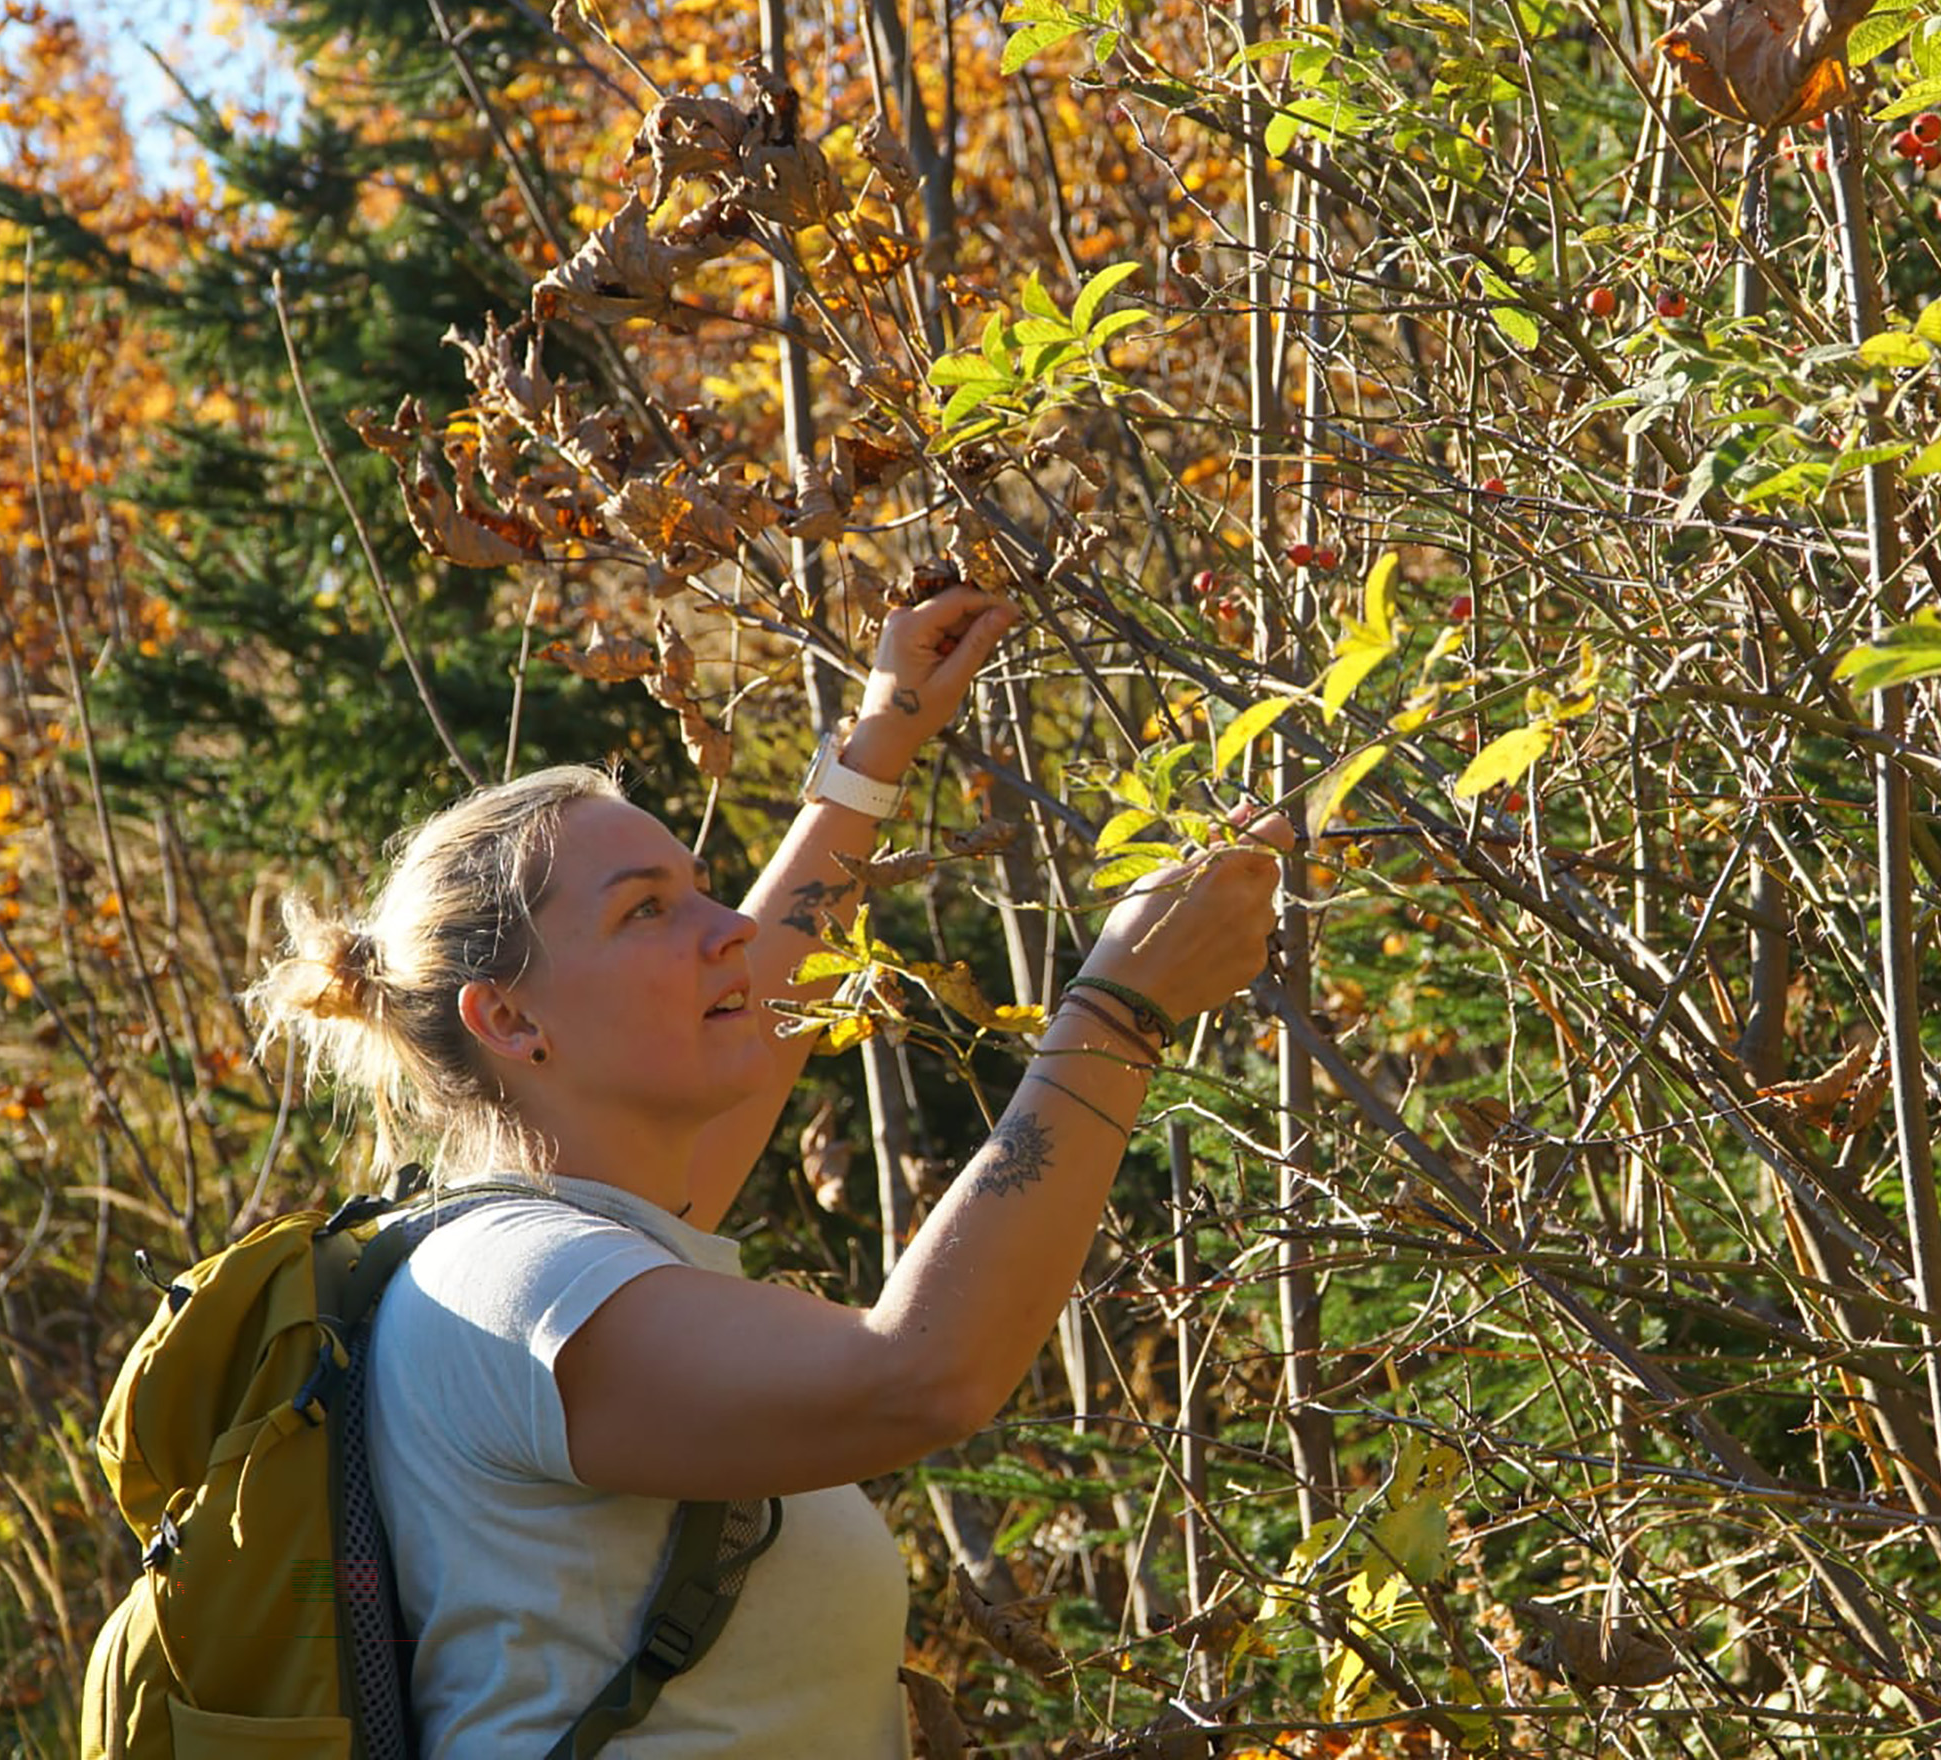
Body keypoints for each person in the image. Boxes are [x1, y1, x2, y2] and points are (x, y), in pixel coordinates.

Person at [244, 583, 1285, 1756]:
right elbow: (921, 1377)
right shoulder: (517, 1284)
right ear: (510, 1019)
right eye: (647, 912)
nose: (722, 927)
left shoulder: (585, 1234)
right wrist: (1117, 1012)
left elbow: (755, 980)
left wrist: (877, 746)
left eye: (700, 889)